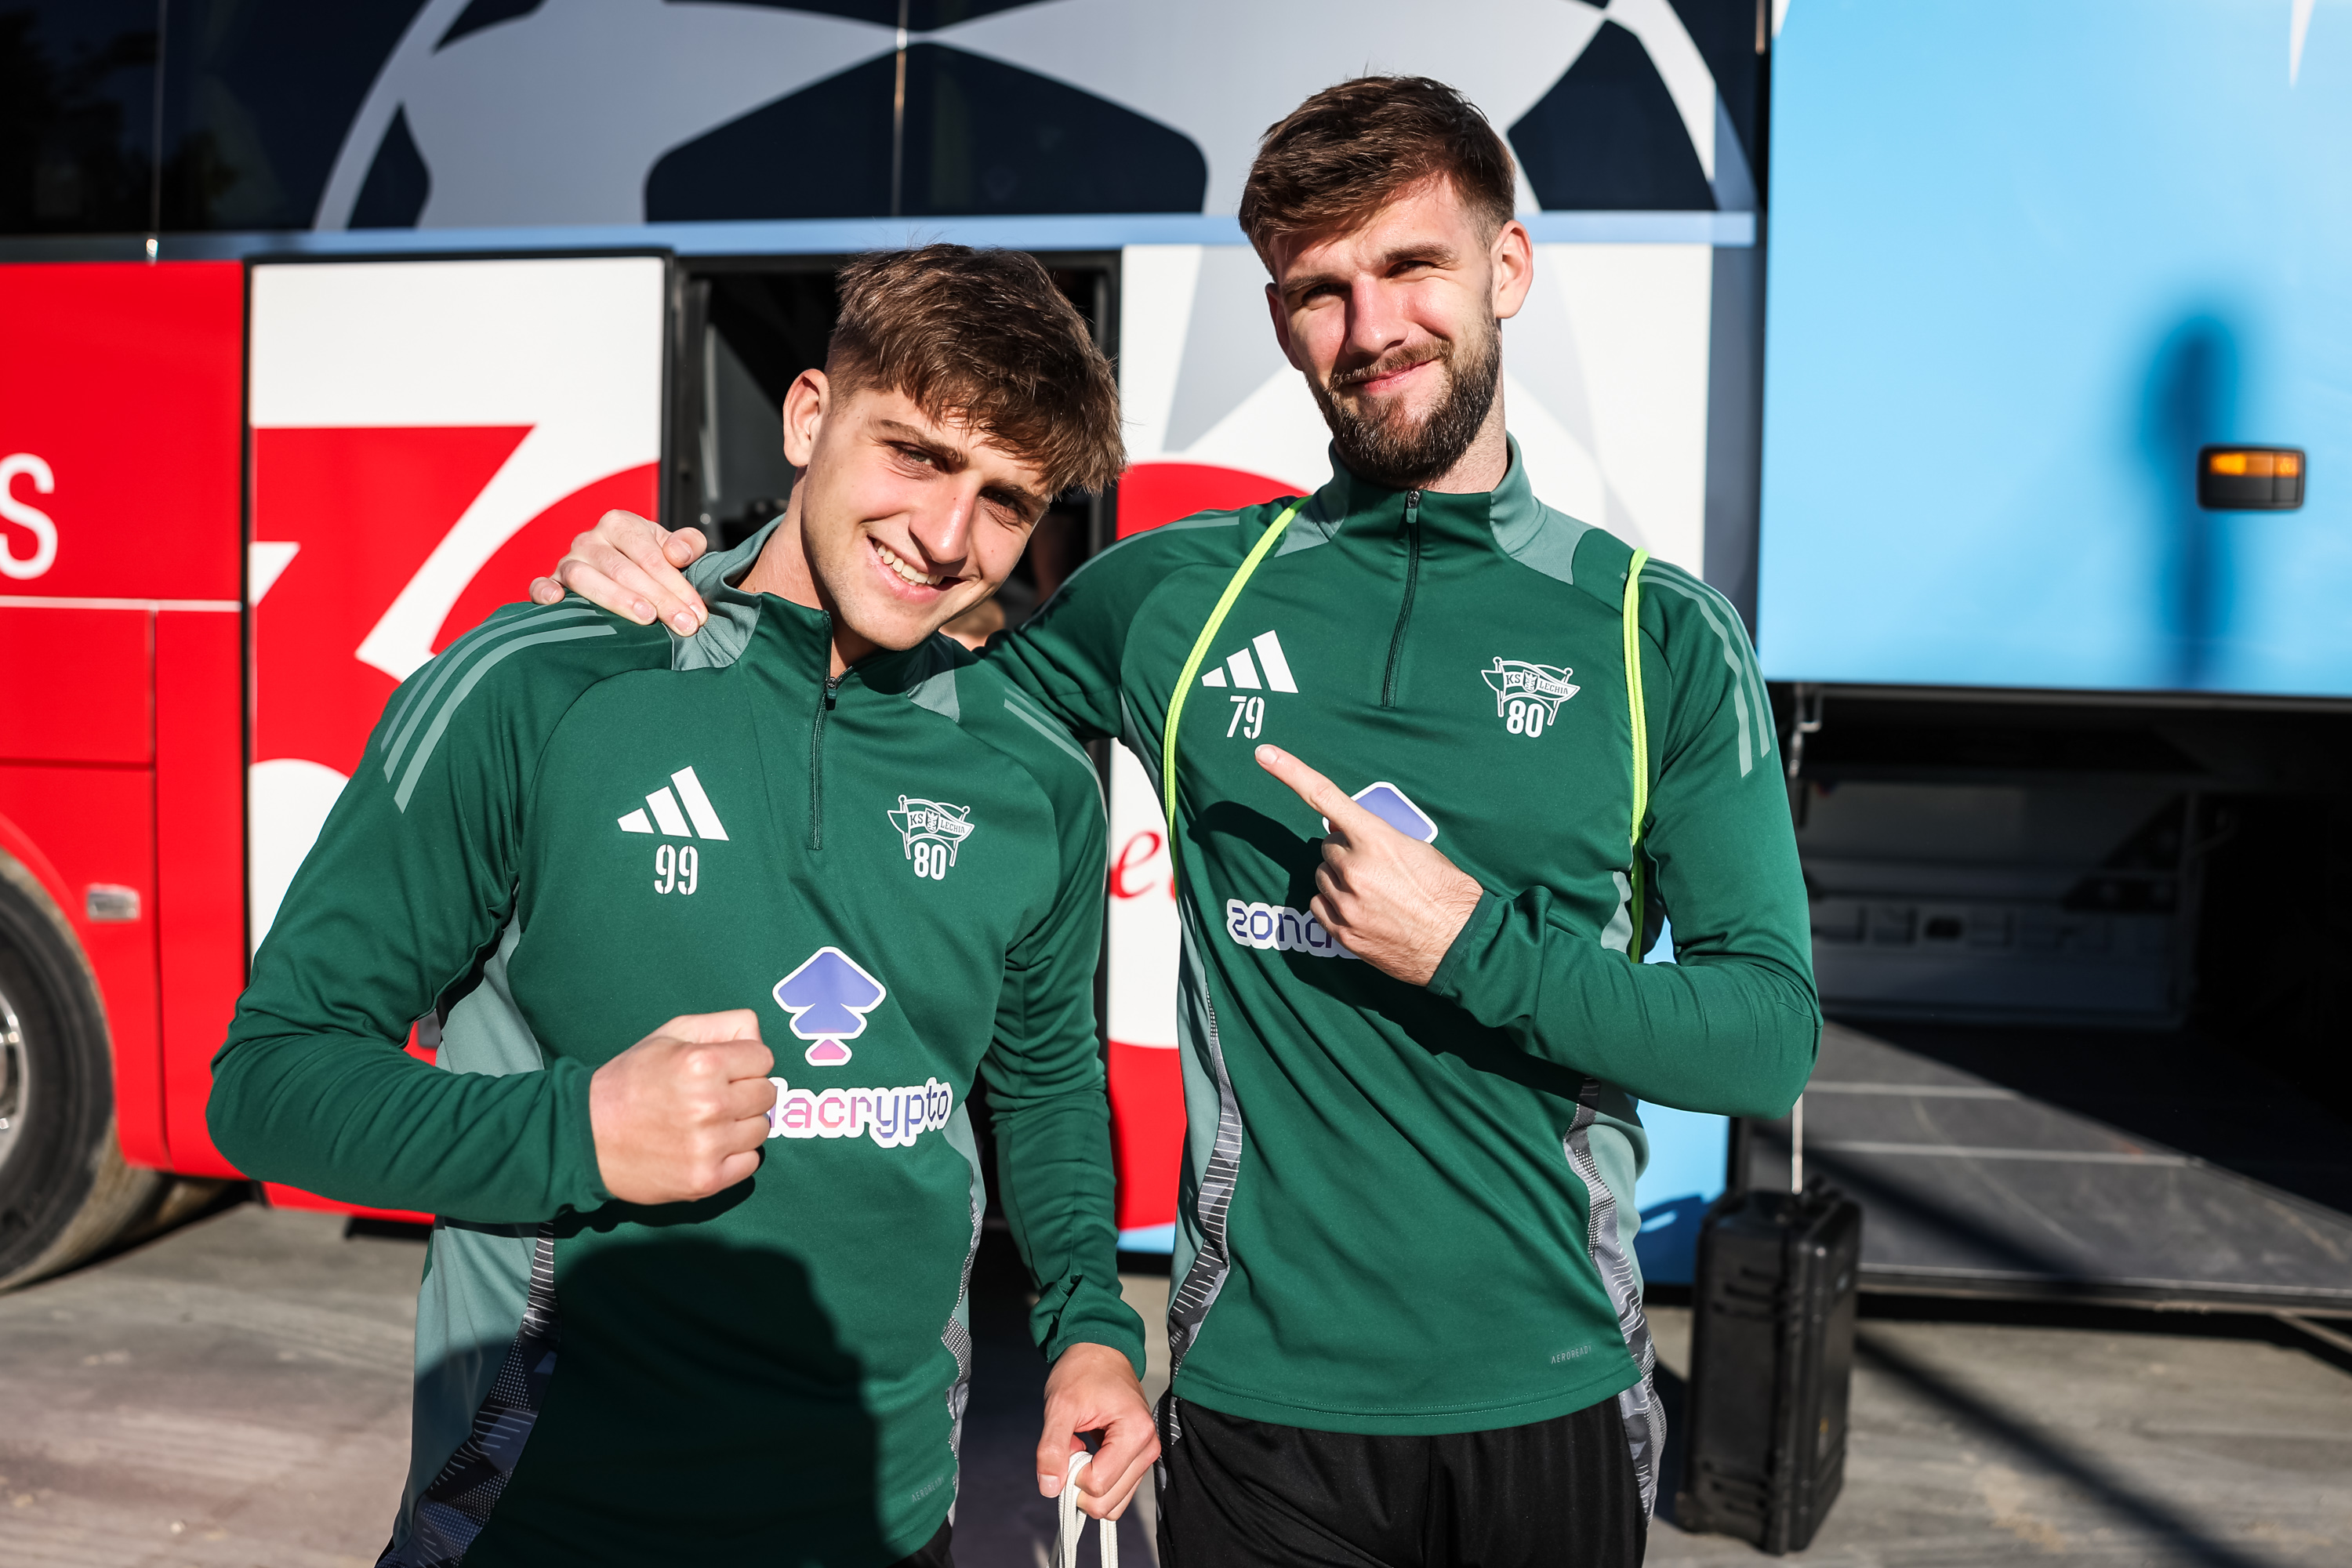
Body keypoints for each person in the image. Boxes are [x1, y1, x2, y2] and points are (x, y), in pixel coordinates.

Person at [539, 78, 1819, 1568]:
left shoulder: (1657, 634)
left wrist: (1474, 947)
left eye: (1412, 266)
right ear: (1280, 321)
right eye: (1319, 290)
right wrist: (683, 579)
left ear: (1507, 270)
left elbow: (1765, 1040)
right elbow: (886, 683)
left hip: (1554, 1389)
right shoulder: (1177, 597)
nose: (1370, 327)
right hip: (1259, 1408)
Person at [211, 246, 1160, 1568]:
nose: (949, 538)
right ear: (810, 418)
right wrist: (579, 1132)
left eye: (1006, 499)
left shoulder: (1035, 774)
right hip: (546, 1521)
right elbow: (269, 1083)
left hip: (889, 1522)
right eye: (917, 455)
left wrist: (1091, 1328)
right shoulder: (540, 686)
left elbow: (1045, 1082)